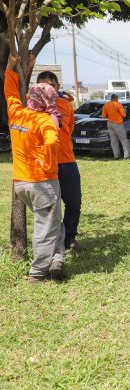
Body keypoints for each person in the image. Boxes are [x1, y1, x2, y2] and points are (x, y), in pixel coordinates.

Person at [4, 52, 64, 282]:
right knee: (45, 228)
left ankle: (56, 260)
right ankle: (38, 273)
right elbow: (51, 141)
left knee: (50, 224)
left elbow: (10, 94)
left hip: (21, 183)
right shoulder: (45, 120)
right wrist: (47, 164)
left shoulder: (17, 113)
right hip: (43, 183)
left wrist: (12, 70)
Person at [37, 71, 84, 252]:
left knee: (74, 202)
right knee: (50, 207)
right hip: (45, 164)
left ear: (57, 87)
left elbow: (68, 129)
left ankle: (69, 237)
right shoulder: (32, 108)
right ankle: (54, 243)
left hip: (68, 161)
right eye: (42, 86)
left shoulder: (66, 105)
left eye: (51, 85)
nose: (47, 90)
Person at [101, 93, 129, 158]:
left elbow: (103, 116)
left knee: (113, 141)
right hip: (118, 123)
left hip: (110, 123)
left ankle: (116, 156)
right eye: (117, 98)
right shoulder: (118, 104)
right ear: (116, 98)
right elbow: (124, 115)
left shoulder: (106, 104)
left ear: (111, 98)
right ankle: (126, 155)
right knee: (123, 139)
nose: (118, 100)